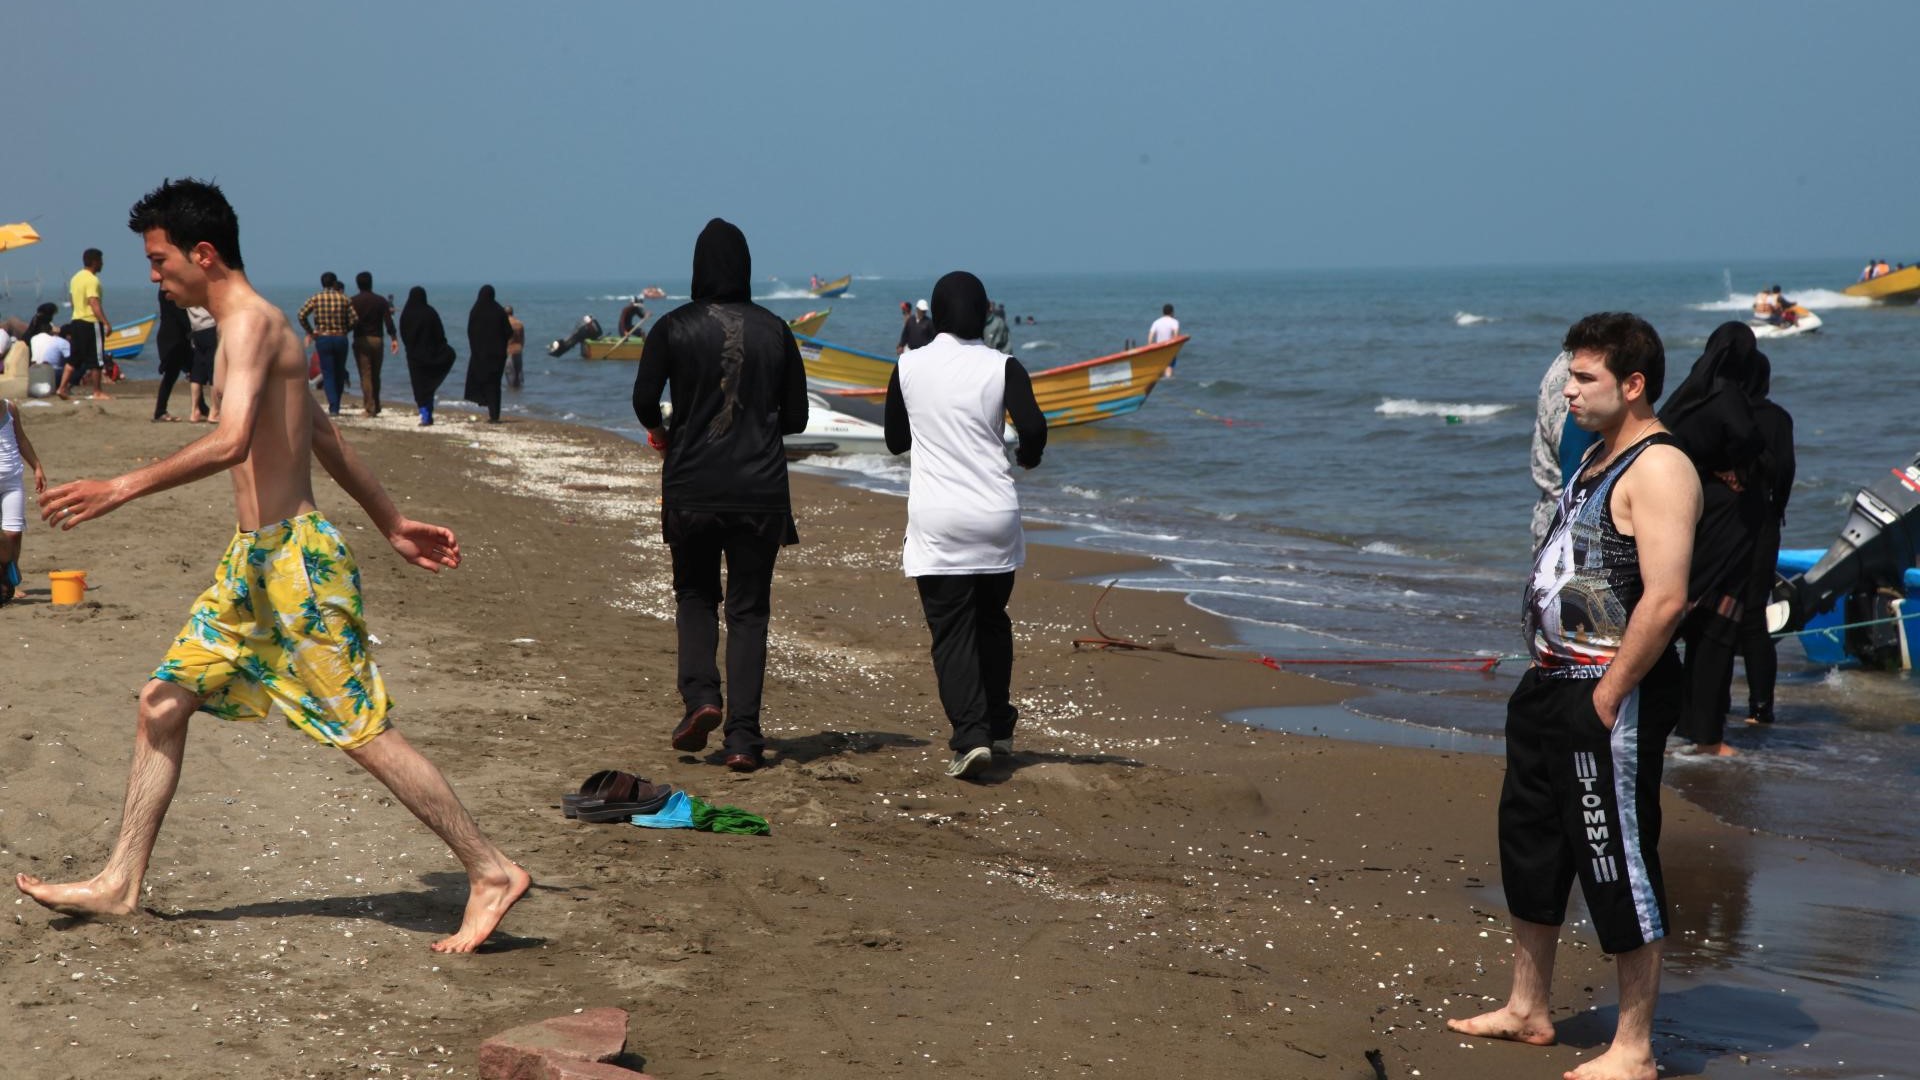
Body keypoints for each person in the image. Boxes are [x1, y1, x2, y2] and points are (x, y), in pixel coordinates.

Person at [16, 177, 527, 952]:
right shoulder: (242, 329)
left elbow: (231, 441)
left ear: (203, 253)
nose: (153, 275)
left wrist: (121, 486)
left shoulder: (251, 324)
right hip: (251, 564)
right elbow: (322, 434)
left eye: (159, 261)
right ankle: (121, 880)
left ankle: (490, 869)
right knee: (160, 703)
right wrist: (392, 523)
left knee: (361, 730)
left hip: (297, 566)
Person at [1448, 311, 1699, 1080]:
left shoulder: (1659, 467)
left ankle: (1634, 1047)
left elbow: (1664, 598)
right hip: (1552, 681)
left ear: (1633, 385)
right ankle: (1528, 1007)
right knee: (1531, 841)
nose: (1567, 390)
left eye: (1584, 378)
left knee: (1614, 855)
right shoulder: (1593, 457)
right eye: (1569, 375)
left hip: (1607, 691)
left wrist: (1609, 693)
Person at [631, 218, 808, 772]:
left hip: (692, 486)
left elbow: (643, 401)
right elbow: (798, 418)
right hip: (760, 491)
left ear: (698, 269)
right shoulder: (777, 329)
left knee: (696, 596)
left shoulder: (672, 326)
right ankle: (743, 740)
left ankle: (702, 698)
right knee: (750, 612)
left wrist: (666, 429)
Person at [884, 271, 1047, 779]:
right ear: (982, 314)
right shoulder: (1004, 365)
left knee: (953, 630)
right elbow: (1035, 428)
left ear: (936, 313)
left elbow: (893, 439)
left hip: (940, 518)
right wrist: (1028, 457)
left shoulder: (909, 365)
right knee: (992, 621)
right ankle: (998, 725)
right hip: (995, 514)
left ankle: (971, 736)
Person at [1659, 323, 1771, 757]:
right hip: (1727, 521)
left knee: (1683, 619)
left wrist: (1704, 470)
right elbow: (1749, 438)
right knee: (1719, 625)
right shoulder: (1727, 395)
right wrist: (1731, 470)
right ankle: (1706, 736)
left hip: (1692, 512)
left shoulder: (1691, 392)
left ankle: (1677, 720)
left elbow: (1665, 436)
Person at [1733, 352, 1793, 726]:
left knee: (1718, 615)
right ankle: (1760, 707)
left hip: (1722, 525)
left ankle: (1709, 706)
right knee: (1754, 616)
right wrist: (1776, 508)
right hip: (1763, 524)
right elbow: (1785, 470)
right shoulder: (1777, 418)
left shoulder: (1722, 414)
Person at [1530, 350, 1598, 550]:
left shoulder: (1566, 364)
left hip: (1551, 524)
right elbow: (1576, 478)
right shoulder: (1585, 398)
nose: (1570, 390)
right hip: (1570, 532)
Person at [0, 397, 48, 606]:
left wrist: (36, 466)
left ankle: (10, 579)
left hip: (12, 481)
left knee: (14, 533)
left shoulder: (10, 407)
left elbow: (21, 440)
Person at [56, 248, 112, 400]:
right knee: (97, 358)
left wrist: (77, 315)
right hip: (90, 322)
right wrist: (105, 322)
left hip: (77, 320)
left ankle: (62, 388)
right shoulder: (92, 280)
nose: (102, 264)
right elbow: (93, 302)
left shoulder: (75, 278)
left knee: (75, 357)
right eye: (101, 261)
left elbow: (73, 301)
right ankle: (97, 391)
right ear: (94, 262)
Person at [298, 272, 356, 415]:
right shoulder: (344, 299)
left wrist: (311, 331)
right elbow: (355, 319)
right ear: (335, 283)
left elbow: (301, 315)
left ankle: (333, 406)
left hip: (323, 338)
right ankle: (337, 403)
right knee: (340, 371)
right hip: (340, 338)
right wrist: (345, 330)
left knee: (328, 372)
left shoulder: (316, 298)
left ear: (322, 283)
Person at [400, 286, 455, 426]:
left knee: (418, 386)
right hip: (431, 355)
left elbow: (404, 334)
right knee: (429, 386)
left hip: (414, 356)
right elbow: (440, 335)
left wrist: (410, 348)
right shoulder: (430, 312)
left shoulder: (406, 313)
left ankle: (424, 414)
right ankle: (428, 414)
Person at [349, 271, 398, 418]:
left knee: (366, 374)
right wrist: (394, 338)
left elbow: (349, 322)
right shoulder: (381, 301)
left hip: (361, 339)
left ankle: (369, 407)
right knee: (376, 374)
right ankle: (376, 405)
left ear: (358, 284)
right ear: (371, 283)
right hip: (378, 340)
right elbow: (388, 321)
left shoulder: (353, 301)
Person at [463, 285, 512, 423]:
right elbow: (509, 332)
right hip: (497, 356)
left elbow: (470, 332)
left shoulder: (475, 310)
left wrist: (476, 347)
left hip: (480, 355)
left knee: (483, 381)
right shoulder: (499, 311)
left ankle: (489, 409)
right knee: (495, 384)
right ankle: (495, 415)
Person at [152, 290, 193, 422]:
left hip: (176, 338)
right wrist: (192, 330)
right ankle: (160, 411)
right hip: (173, 339)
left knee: (194, 371)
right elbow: (180, 315)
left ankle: (202, 407)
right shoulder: (168, 292)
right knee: (172, 375)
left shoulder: (168, 291)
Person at [187, 304, 219, 422]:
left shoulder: (189, 292)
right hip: (210, 327)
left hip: (196, 328)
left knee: (197, 370)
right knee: (214, 370)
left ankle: (194, 410)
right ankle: (214, 411)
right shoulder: (203, 289)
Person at [504, 305, 525, 390]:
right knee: (518, 377)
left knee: (510, 376)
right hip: (518, 351)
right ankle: (519, 398)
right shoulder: (519, 323)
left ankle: (512, 399)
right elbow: (523, 339)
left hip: (509, 352)